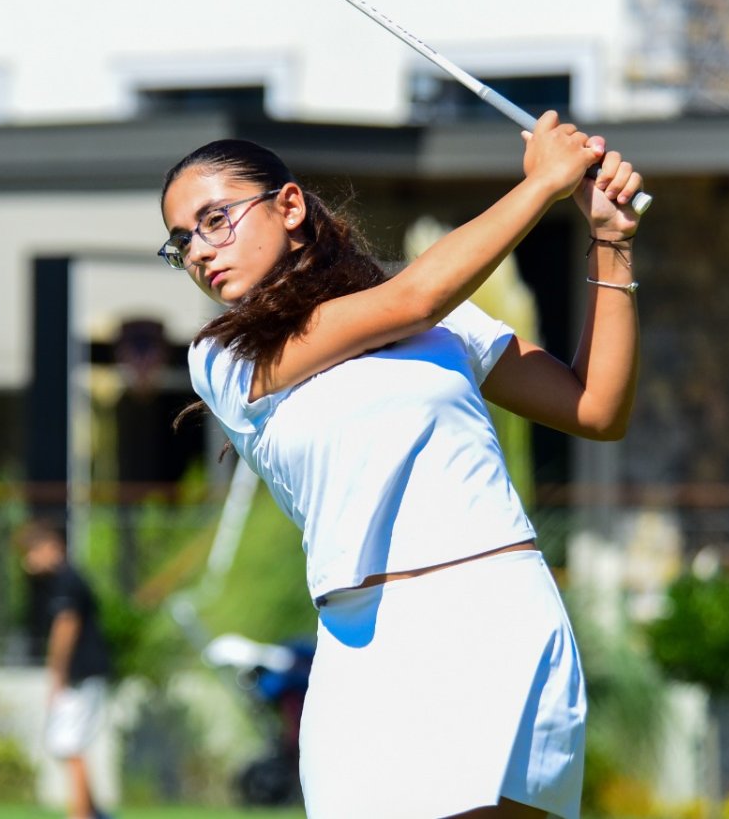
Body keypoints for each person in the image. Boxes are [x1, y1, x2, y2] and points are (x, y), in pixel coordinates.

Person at [158, 111, 643, 819]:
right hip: (358, 647)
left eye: (214, 220)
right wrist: (542, 184)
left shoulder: (445, 321)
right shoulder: (223, 357)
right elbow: (413, 298)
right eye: (182, 241)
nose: (200, 251)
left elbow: (595, 407)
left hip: (492, 619)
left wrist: (611, 239)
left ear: (288, 207)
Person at [20, 519, 114, 819]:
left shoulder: (66, 582)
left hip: (79, 676)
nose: (28, 561)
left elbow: (66, 627)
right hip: (82, 676)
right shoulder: (60, 581)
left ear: (51, 547)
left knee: (69, 744)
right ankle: (92, 810)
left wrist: (57, 673)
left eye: (32, 552)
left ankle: (82, 813)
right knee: (67, 744)